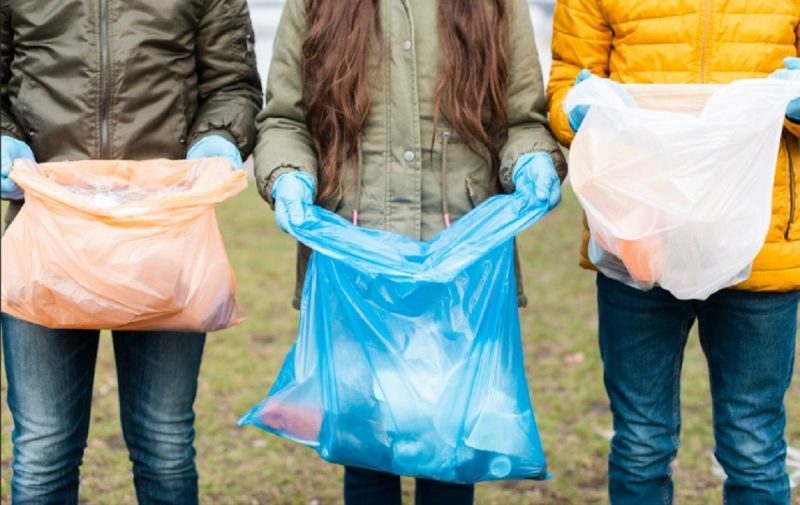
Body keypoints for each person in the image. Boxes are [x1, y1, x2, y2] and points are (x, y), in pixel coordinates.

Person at [254, 0, 566, 503]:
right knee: (365, 455)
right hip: (354, 265)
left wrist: (533, 161)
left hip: (460, 271)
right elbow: (284, 120)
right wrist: (287, 175)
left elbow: (522, 120)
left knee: (449, 453)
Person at [0, 1, 262, 502]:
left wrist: (218, 139)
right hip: (48, 234)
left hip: (165, 236)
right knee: (43, 446)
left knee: (164, 442)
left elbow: (232, 86)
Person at [547, 2, 800, 504]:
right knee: (641, 442)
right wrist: (577, 113)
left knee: (753, 445)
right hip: (641, 240)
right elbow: (564, 85)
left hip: (758, 244)